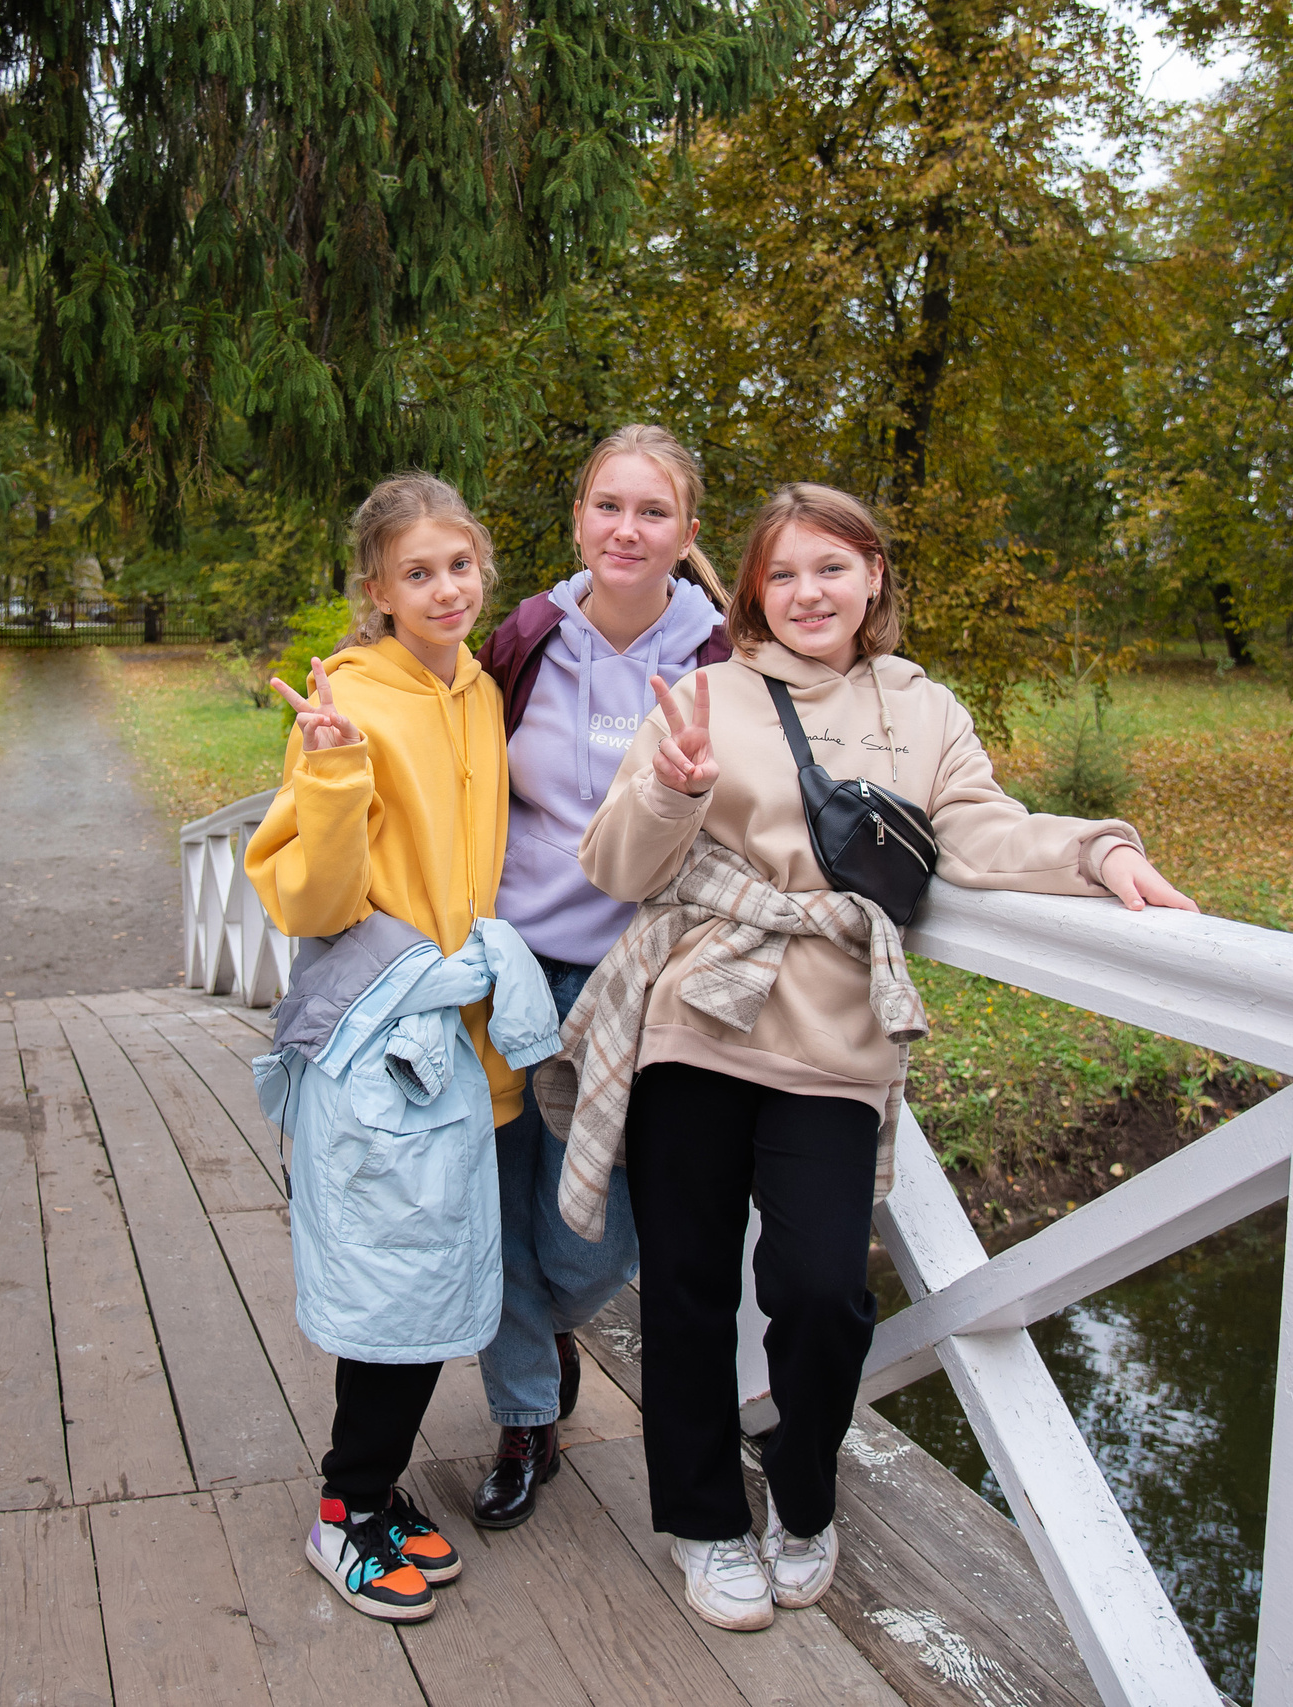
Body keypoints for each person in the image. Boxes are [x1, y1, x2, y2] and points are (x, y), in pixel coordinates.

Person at [556, 483, 1195, 1632]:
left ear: (874, 580)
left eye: (832, 570)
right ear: (753, 589)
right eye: (784, 574)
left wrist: (1096, 851)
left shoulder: (922, 706)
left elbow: (979, 828)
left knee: (819, 1295)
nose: (808, 594)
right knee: (691, 1294)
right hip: (698, 1018)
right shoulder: (705, 693)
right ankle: (703, 1525)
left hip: (837, 1030)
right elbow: (614, 865)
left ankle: (804, 1499)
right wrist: (673, 787)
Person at [246, 472, 557, 1624]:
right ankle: (348, 1511)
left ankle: (374, 1494)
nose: (444, 589)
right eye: (416, 573)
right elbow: (310, 902)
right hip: (382, 1039)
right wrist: (327, 766)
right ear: (374, 589)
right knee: (394, 1279)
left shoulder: (477, 690)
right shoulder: (351, 701)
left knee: (437, 1271)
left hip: (465, 1038)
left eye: (459, 566)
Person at [466, 424, 732, 1528]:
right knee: (490, 1198)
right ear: (578, 517)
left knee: (600, 1230)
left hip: (639, 976)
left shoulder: (721, 654)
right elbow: (455, 758)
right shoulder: (528, 634)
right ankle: (525, 1413)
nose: (627, 530)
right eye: (607, 506)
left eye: (652, 511)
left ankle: (550, 1322)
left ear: (686, 533)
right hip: (510, 964)